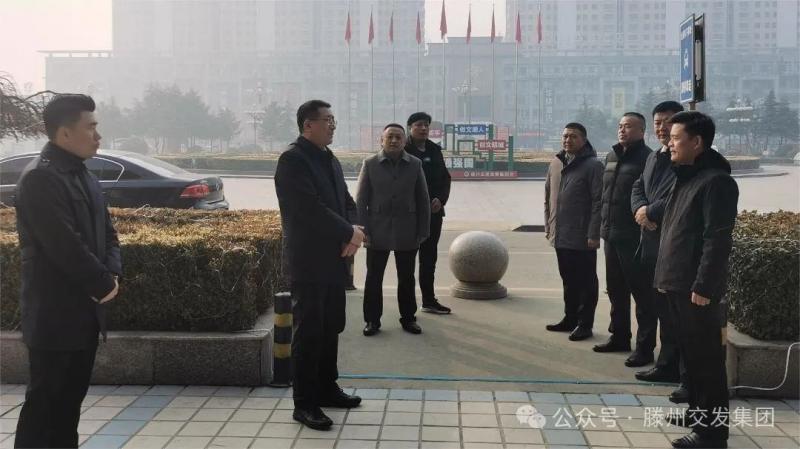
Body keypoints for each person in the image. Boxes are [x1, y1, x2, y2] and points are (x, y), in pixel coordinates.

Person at [13, 94, 122, 448]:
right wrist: (102, 283)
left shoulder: (83, 174)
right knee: (44, 408)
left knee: (68, 408)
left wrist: (112, 274)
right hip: (54, 315)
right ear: (64, 133)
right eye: (90, 128)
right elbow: (63, 244)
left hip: (85, 313)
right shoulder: (40, 179)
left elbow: (108, 233)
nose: (97, 136)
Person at [274, 100, 363, 431]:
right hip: (309, 261)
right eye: (327, 120)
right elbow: (308, 208)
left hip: (335, 258)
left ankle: (327, 388)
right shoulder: (293, 160)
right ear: (307, 124)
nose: (332, 125)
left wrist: (353, 231)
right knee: (309, 332)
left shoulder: (329, 158)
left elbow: (346, 201)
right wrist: (347, 232)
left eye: (333, 120)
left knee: (331, 326)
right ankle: (305, 403)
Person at [655, 111, 738, 449]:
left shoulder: (716, 182)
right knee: (691, 357)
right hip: (677, 283)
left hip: (696, 289)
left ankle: (712, 434)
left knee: (706, 361)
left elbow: (716, 239)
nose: (669, 143)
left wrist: (704, 286)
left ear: (697, 142)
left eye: (676, 138)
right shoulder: (686, 176)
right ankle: (698, 413)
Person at [630, 101, 690, 404]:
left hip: (672, 246)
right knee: (658, 308)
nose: (662, 128)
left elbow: (679, 195)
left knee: (676, 315)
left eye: (668, 121)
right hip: (651, 244)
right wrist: (641, 209)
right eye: (657, 122)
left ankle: (677, 370)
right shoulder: (655, 156)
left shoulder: (687, 161)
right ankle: (665, 364)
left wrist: (650, 213)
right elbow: (638, 187)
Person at [594, 112, 658, 370]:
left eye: (629, 126)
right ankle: (619, 336)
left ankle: (644, 348)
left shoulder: (649, 159)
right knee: (616, 290)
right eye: (620, 126)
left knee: (642, 295)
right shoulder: (611, 156)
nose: (622, 130)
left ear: (642, 131)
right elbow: (604, 195)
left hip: (635, 238)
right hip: (611, 235)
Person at [358, 124, 431, 336]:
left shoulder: (415, 164)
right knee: (374, 277)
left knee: (407, 278)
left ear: (404, 141)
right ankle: (372, 320)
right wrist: (363, 230)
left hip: (407, 229)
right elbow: (361, 200)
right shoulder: (370, 163)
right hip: (376, 230)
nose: (394, 141)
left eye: (398, 137)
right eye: (389, 137)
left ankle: (408, 318)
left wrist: (423, 230)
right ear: (381, 140)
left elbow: (423, 199)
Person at [544, 122, 603, 341]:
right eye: (565, 136)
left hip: (582, 236)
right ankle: (570, 319)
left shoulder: (593, 166)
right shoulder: (556, 163)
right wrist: (549, 226)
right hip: (560, 234)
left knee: (586, 282)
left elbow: (599, 201)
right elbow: (548, 197)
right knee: (568, 280)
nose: (568, 140)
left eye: (574, 136)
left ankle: (585, 324)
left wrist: (593, 233)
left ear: (584, 140)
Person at [404, 112, 453, 314]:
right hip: (409, 215)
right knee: (406, 261)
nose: (423, 128)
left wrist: (440, 199)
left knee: (429, 258)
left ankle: (428, 300)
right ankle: (407, 308)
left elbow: (445, 178)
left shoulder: (434, 149)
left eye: (426, 125)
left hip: (433, 214)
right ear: (410, 127)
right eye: (419, 125)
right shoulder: (403, 149)